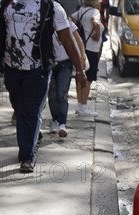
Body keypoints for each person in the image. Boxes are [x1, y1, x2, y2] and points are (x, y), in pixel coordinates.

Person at [0, 0, 87, 173]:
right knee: (19, 109)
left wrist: (79, 69)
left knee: (31, 110)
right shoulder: (6, 3)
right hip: (12, 69)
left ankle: (27, 156)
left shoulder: (51, 7)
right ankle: (32, 136)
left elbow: (67, 38)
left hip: (38, 69)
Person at [48, 6, 87, 138]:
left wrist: (82, 56)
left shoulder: (68, 24)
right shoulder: (46, 25)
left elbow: (78, 41)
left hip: (66, 64)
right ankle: (55, 120)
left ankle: (62, 124)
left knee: (61, 93)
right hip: (50, 64)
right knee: (52, 95)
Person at [71, 0, 103, 117]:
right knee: (88, 78)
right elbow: (95, 22)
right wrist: (97, 34)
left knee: (80, 75)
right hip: (92, 49)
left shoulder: (80, 11)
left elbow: (70, 20)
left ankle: (80, 105)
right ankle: (84, 106)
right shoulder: (95, 12)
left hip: (81, 48)